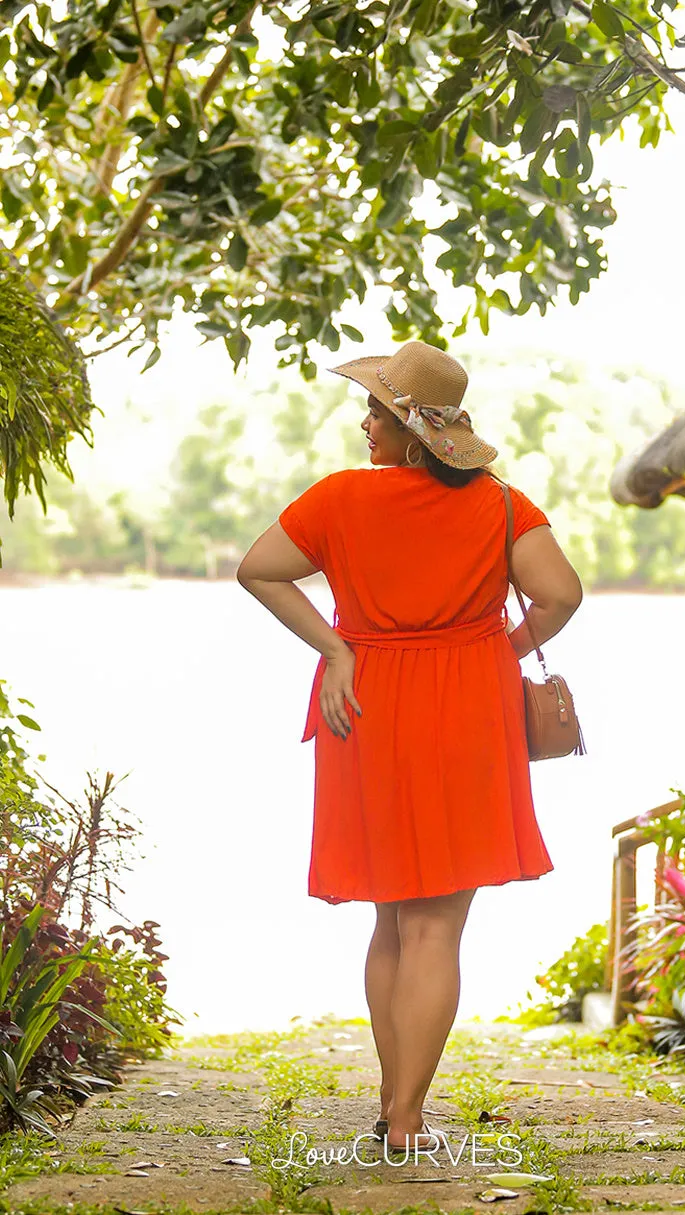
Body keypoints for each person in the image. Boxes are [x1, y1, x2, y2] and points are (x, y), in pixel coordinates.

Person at [237, 340, 583, 1155]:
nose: (365, 423)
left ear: (413, 432)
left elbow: (260, 570)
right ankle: (407, 1114)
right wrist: (500, 648)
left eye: (379, 413)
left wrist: (335, 647)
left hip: (365, 703)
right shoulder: (501, 507)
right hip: (469, 709)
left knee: (393, 922)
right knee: (436, 929)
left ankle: (394, 1096)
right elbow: (561, 594)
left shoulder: (338, 501)